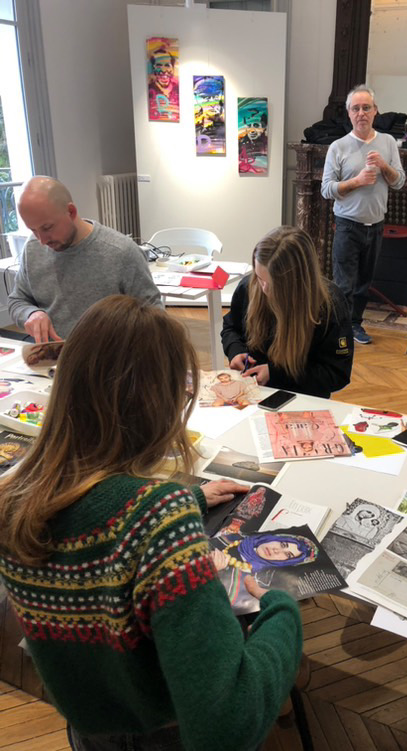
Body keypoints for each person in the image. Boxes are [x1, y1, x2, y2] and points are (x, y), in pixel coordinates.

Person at [0, 295, 303, 751]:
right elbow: (228, 724)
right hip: (165, 732)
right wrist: (282, 612)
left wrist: (191, 498)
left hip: (89, 729)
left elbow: (94, 544)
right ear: (156, 402)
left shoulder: (14, 499)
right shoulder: (159, 515)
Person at [8, 176, 163, 342]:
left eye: (47, 228)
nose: (42, 240)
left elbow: (155, 318)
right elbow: (18, 300)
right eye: (33, 230)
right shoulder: (32, 248)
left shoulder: (121, 252)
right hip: (53, 359)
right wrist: (31, 314)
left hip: (108, 362)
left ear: (71, 212)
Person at [221, 225, 353, 398]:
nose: (264, 288)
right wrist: (235, 350)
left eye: (272, 284)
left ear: (297, 281)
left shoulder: (329, 305)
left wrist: (276, 374)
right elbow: (231, 327)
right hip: (253, 392)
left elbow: (336, 374)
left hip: (304, 398)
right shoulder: (249, 287)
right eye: (260, 278)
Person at [321, 84, 405, 345]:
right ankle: (340, 329)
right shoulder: (338, 147)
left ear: (375, 111)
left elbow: (399, 181)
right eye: (355, 108)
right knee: (343, 284)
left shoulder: (388, 143)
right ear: (349, 113)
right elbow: (326, 189)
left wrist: (384, 166)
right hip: (347, 225)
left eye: (366, 108)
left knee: (364, 283)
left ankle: (355, 325)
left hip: (376, 225)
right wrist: (356, 181)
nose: (361, 113)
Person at [147, 44, 180, 122]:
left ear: (172, 68)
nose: (163, 70)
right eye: (158, 65)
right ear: (153, 68)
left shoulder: (177, 89)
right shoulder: (150, 90)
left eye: (167, 65)